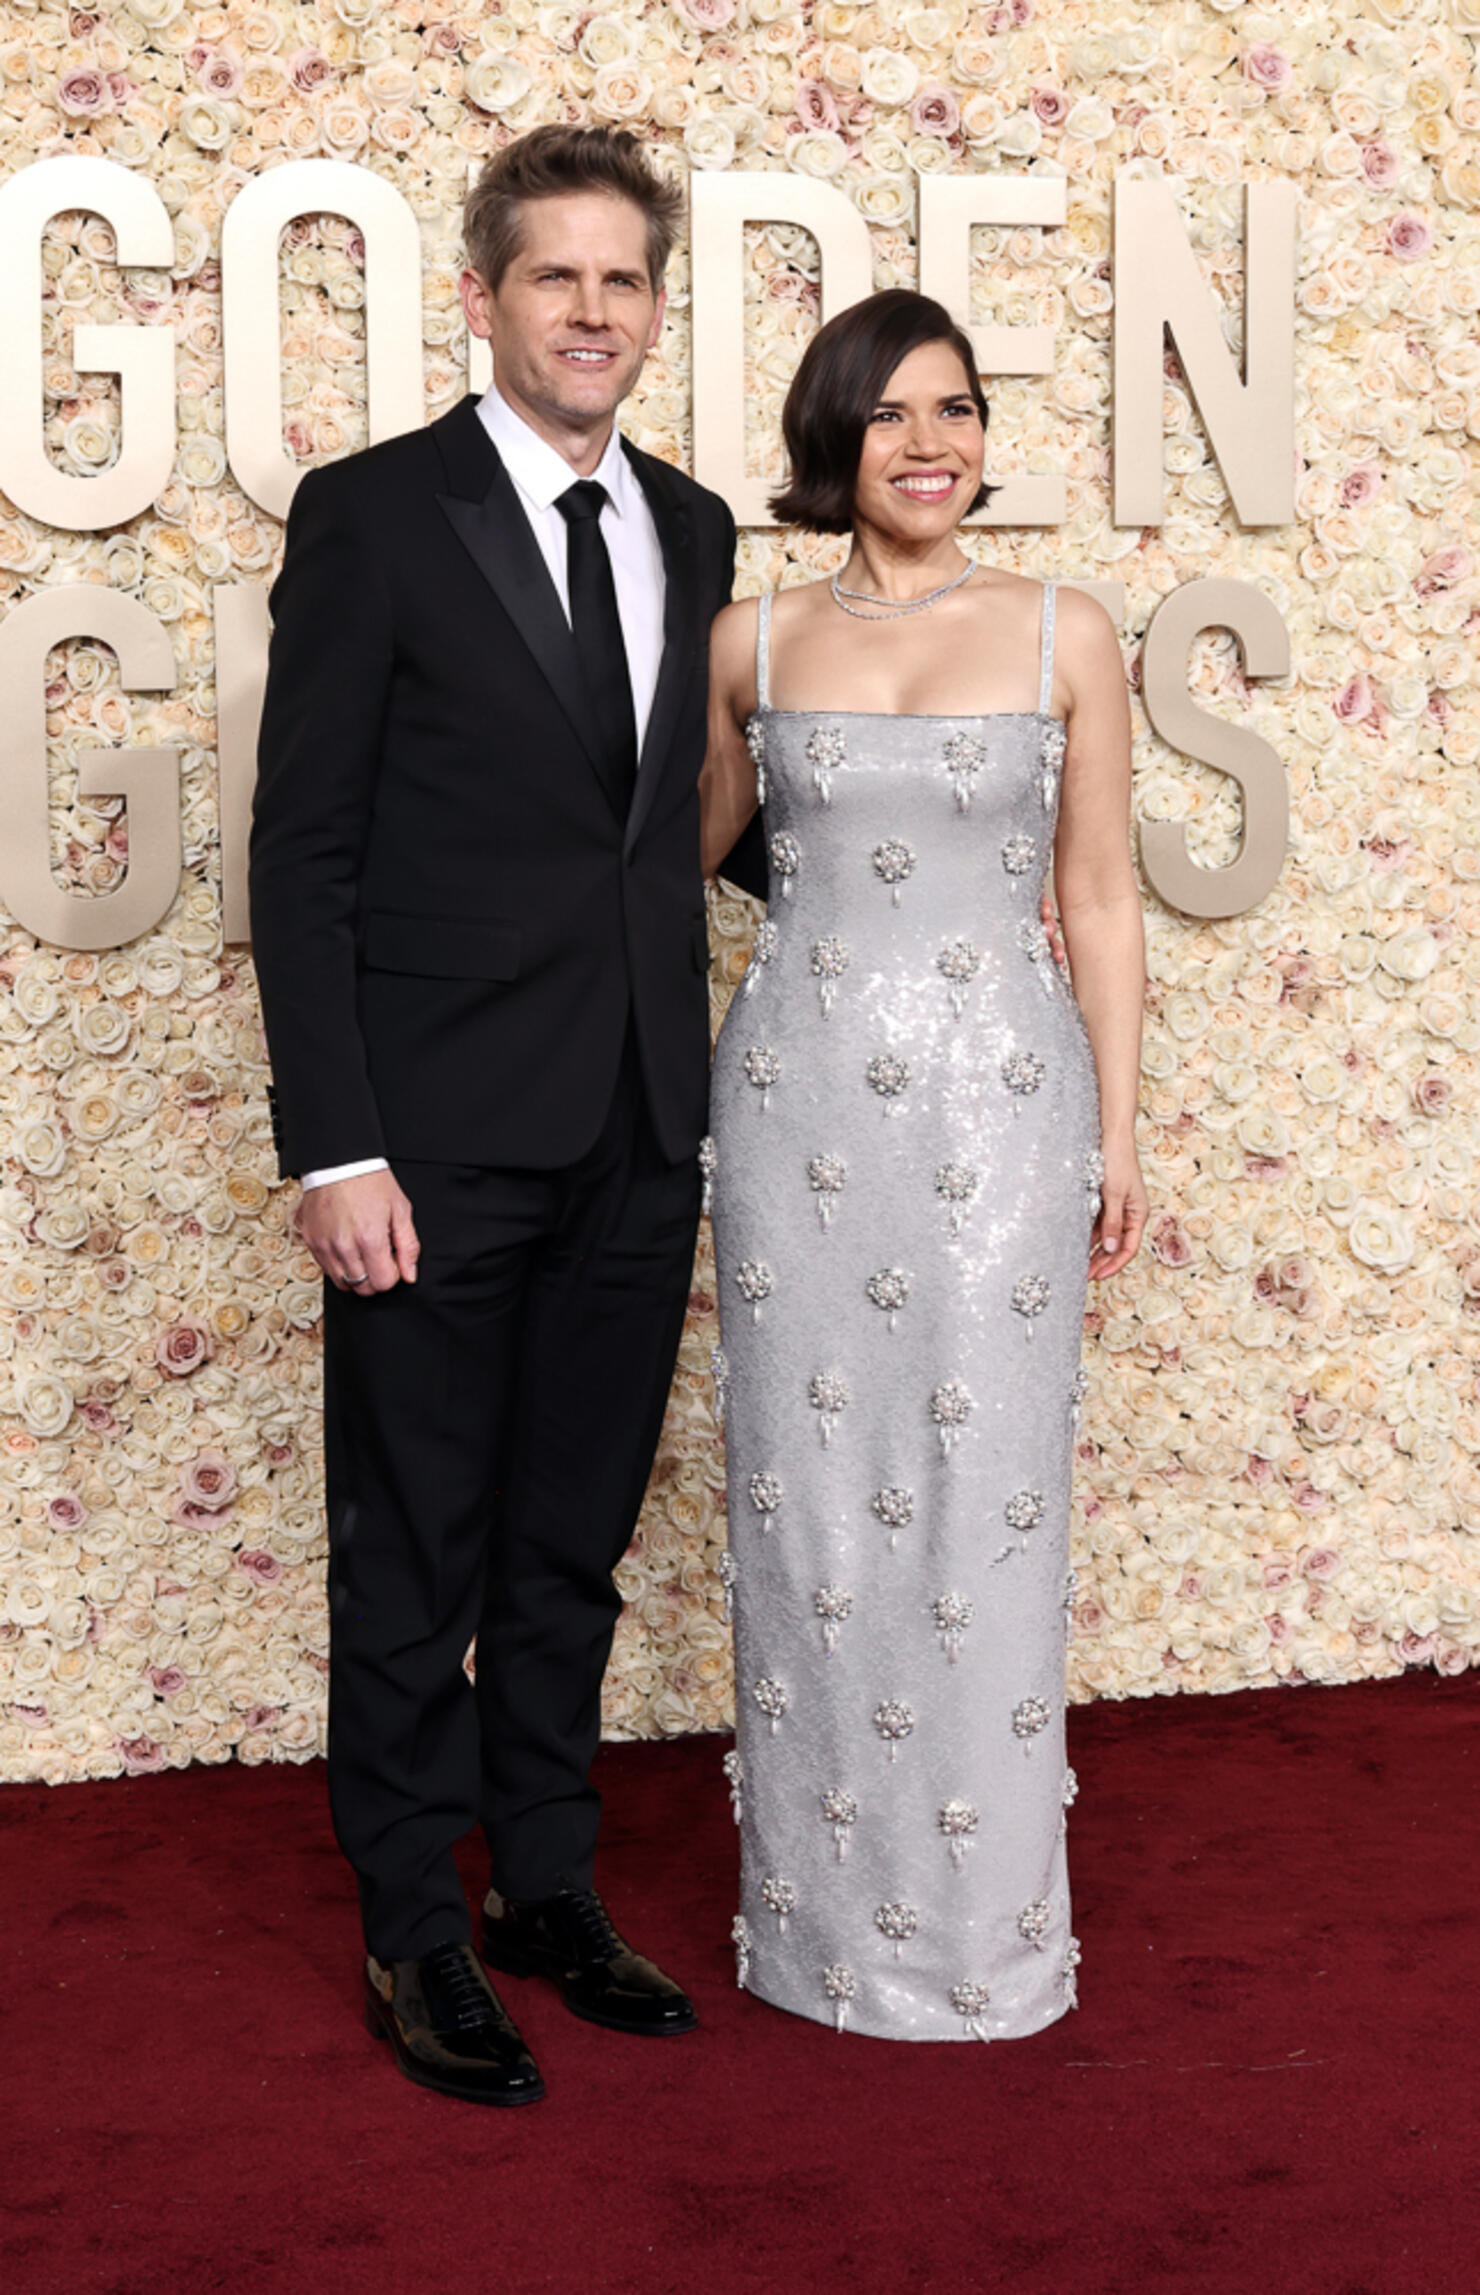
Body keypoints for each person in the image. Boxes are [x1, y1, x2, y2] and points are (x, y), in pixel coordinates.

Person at [250, 125, 758, 2105]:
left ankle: (544, 1881)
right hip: (433, 1135)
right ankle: (409, 1922)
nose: (591, 312)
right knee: (415, 1546)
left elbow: (682, 827)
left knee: (566, 1540)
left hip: (640, 1116)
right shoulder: (375, 513)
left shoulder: (699, 525)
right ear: (482, 296)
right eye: (553, 278)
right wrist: (334, 1142)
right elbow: (305, 851)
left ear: (653, 304)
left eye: (622, 280)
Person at [700, 289, 1148, 2041]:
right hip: (799, 1110)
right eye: (889, 415)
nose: (930, 443)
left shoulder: (1066, 634)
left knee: (986, 1507)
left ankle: (981, 1940)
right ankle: (817, 1938)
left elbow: (1099, 895)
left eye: (955, 408)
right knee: (806, 1501)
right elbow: (658, 873)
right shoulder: (750, 643)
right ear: (836, 440)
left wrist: (1117, 1126)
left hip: (1004, 1123)